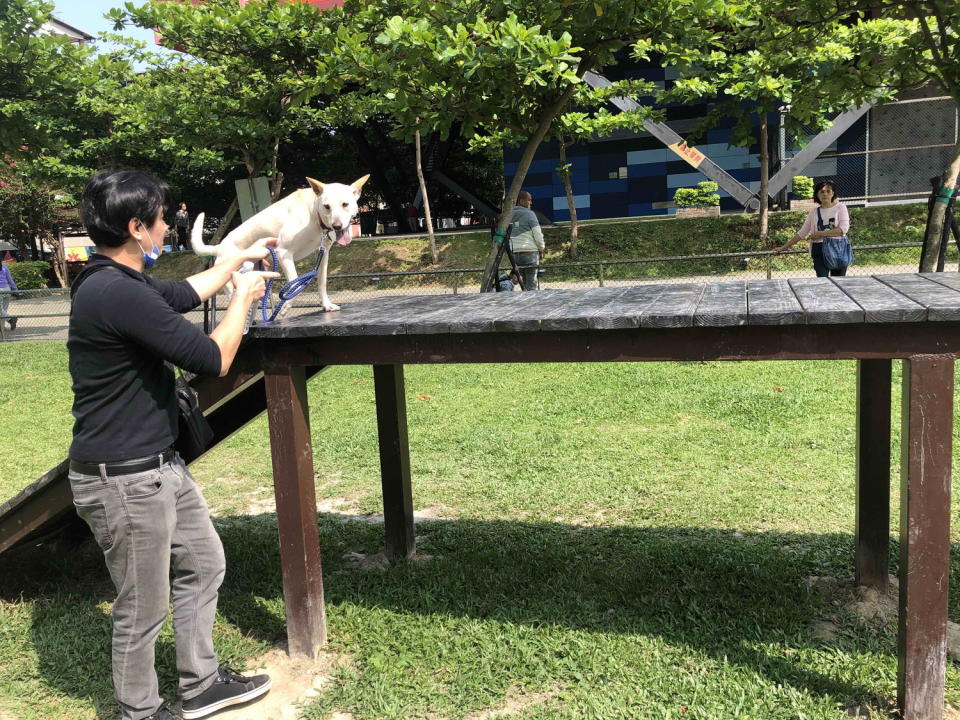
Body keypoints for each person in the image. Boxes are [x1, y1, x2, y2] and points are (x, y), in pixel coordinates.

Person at [68, 170, 279, 720]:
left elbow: (184, 292)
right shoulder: (115, 292)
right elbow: (213, 360)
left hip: (159, 466)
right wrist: (244, 300)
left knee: (204, 564)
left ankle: (202, 684)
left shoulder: (119, 277)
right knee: (142, 607)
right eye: (163, 218)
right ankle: (139, 710)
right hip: (125, 478)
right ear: (139, 228)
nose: (169, 225)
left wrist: (237, 260)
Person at [773, 180, 850, 277]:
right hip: (818, 249)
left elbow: (843, 229)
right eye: (821, 191)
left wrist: (819, 234)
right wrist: (783, 248)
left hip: (838, 248)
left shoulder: (840, 208)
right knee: (822, 282)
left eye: (828, 191)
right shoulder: (813, 212)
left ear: (833, 193)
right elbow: (802, 232)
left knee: (839, 282)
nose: (825, 194)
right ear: (817, 194)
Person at [509, 190, 545, 290]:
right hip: (530, 254)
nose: (531, 202)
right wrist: (541, 249)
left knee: (523, 285)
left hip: (514, 255)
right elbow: (537, 234)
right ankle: (533, 305)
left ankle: (525, 303)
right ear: (521, 201)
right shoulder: (530, 214)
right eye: (529, 200)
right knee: (532, 286)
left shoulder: (509, 215)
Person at [0, 261, 17, 330]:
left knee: (1, 311)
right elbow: (10, 279)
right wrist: (15, 289)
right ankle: (2, 327)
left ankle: (11, 319)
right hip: (7, 289)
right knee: (4, 310)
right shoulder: (4, 267)